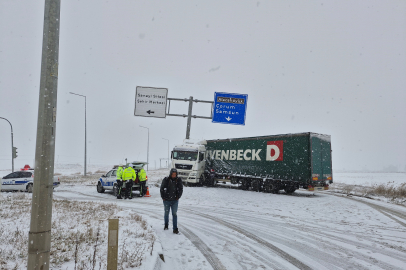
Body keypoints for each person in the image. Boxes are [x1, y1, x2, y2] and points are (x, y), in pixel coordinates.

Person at [160, 168, 183, 234]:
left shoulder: (178, 180)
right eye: (172, 174)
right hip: (166, 200)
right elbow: (162, 188)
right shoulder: (166, 180)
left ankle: (175, 229)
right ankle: (166, 225)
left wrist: (178, 196)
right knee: (166, 213)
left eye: (175, 174)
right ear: (170, 174)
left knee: (174, 214)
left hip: (175, 200)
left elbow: (181, 189)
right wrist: (163, 197)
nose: (173, 175)